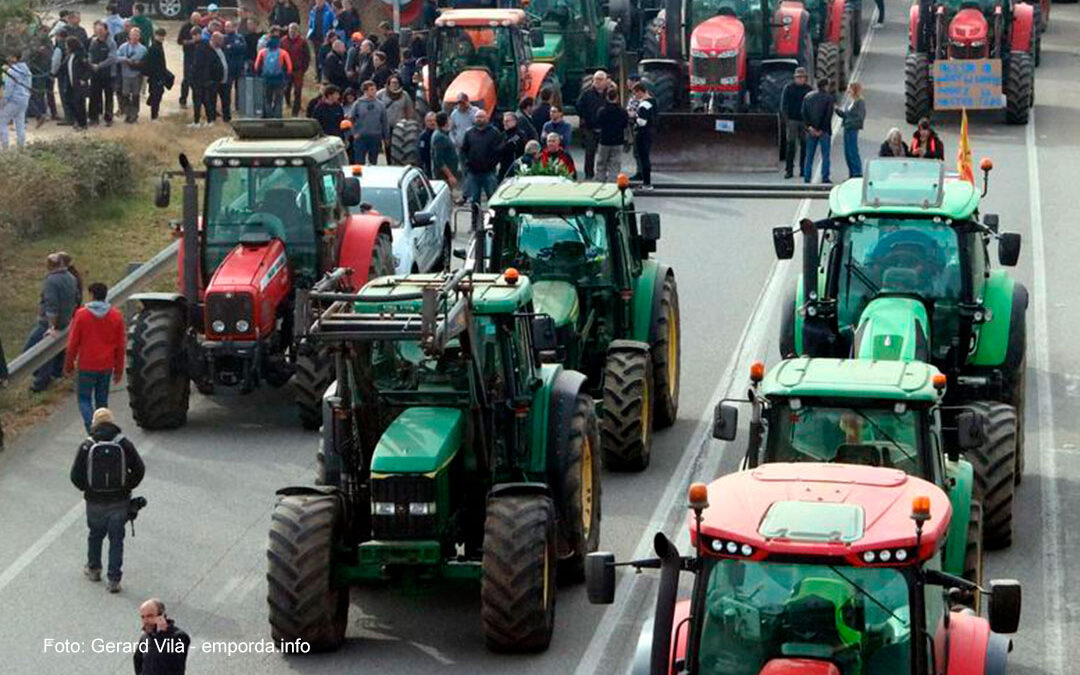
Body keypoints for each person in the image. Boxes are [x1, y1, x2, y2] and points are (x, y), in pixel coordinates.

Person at [70, 407, 145, 593]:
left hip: (94, 501)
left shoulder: (87, 445)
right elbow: (139, 469)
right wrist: (127, 486)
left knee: (95, 535)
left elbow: (75, 475)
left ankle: (94, 569)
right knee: (116, 539)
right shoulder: (124, 444)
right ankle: (114, 580)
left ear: (95, 423)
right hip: (119, 500)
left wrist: (88, 489)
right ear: (112, 421)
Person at [64, 283, 125, 431]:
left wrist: (69, 364)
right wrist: (118, 369)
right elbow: (121, 345)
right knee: (102, 400)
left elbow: (73, 342)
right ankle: (103, 428)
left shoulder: (81, 314)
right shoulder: (116, 316)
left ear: (91, 294)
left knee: (84, 399)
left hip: (87, 364)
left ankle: (91, 427)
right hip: (106, 365)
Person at [23, 254, 79, 391]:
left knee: (31, 351)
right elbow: (76, 298)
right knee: (58, 350)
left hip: (48, 324)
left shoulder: (51, 281)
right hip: (66, 321)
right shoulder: (71, 278)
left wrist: (52, 326)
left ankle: (41, 382)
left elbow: (51, 305)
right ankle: (57, 374)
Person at [135, 599, 190, 675]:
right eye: (143, 617)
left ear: (161, 617)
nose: (145, 621)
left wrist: (160, 635)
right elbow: (137, 661)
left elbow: (174, 664)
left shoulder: (179, 637)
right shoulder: (145, 637)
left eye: (149, 616)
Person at [460, 109, 504, 204]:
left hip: (489, 172)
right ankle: (475, 218)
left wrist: (493, 163)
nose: (479, 119)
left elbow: (499, 151)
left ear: (487, 118)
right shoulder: (469, 133)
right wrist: (466, 164)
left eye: (481, 117)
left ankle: (494, 218)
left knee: (492, 199)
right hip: (473, 172)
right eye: (477, 117)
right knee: (474, 200)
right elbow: (464, 150)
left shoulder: (494, 133)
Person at [576, 70, 609, 179]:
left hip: (604, 128)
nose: (598, 82)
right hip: (590, 127)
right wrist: (586, 118)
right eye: (596, 79)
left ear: (605, 81)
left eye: (600, 79)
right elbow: (579, 107)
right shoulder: (586, 94)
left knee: (604, 154)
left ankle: (602, 174)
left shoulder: (609, 94)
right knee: (590, 152)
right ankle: (589, 174)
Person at [801, 78, 835, 183]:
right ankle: (825, 177)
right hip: (824, 131)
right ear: (825, 86)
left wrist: (810, 127)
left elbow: (804, 113)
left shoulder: (808, 97)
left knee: (809, 155)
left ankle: (807, 177)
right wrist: (821, 129)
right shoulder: (829, 98)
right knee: (825, 155)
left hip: (811, 131)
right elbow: (828, 115)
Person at [779, 66, 811, 178]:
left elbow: (811, 106)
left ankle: (803, 169)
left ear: (805, 78)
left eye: (802, 77)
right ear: (795, 78)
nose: (800, 79)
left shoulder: (809, 89)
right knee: (790, 146)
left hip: (804, 121)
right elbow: (783, 105)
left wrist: (810, 121)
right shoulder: (788, 88)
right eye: (798, 77)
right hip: (792, 120)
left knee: (805, 146)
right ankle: (789, 170)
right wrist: (786, 120)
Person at [255, 31, 293, 118]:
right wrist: (287, 78)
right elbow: (289, 67)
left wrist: (259, 74)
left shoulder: (262, 52)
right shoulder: (283, 52)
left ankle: (268, 116)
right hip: (279, 79)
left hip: (266, 79)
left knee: (267, 98)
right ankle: (277, 117)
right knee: (278, 99)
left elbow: (257, 66)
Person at [595, 87, 629, 183]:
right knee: (615, 164)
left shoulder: (602, 111)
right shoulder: (622, 112)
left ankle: (600, 182)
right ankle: (612, 183)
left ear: (607, 97)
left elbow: (598, 123)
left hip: (604, 140)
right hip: (618, 141)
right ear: (617, 97)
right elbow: (625, 124)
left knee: (601, 163)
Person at [350, 80, 388, 164]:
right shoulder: (358, 104)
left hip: (375, 136)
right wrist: (354, 133)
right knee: (359, 161)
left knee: (373, 160)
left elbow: (384, 121)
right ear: (365, 91)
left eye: (374, 89)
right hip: (361, 137)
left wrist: (386, 137)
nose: (374, 91)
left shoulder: (380, 104)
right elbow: (351, 119)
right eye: (371, 89)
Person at [0, 51, 32, 149]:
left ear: (14, 58)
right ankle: (21, 145)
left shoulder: (12, 72)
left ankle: (5, 146)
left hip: (13, 99)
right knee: (20, 123)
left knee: (2, 121)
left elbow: (9, 89)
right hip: (24, 99)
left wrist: (3, 102)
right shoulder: (27, 71)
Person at [87, 22, 117, 126]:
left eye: (101, 30)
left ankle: (108, 118)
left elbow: (112, 58)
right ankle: (93, 118)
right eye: (97, 30)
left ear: (106, 30)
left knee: (108, 97)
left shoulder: (111, 42)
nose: (99, 32)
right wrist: (90, 63)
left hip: (108, 74)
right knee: (94, 96)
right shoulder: (93, 41)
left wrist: (99, 65)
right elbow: (90, 53)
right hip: (95, 74)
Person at [189, 28, 220, 127]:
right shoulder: (207, 45)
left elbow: (197, 63)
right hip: (206, 77)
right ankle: (210, 120)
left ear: (199, 34)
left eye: (194, 35)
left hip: (199, 77)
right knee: (206, 99)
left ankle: (197, 121)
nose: (193, 37)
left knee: (197, 100)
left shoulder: (200, 47)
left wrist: (192, 72)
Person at [834, 81, 866, 179]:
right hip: (847, 129)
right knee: (847, 152)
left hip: (852, 129)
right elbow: (846, 115)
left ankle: (857, 173)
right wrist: (837, 110)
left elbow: (860, 117)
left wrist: (848, 122)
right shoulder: (851, 102)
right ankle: (851, 173)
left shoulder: (860, 102)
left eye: (850, 89)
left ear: (854, 90)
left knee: (852, 151)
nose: (848, 91)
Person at [116, 27, 146, 123]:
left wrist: (137, 63)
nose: (134, 37)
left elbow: (145, 63)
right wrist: (125, 59)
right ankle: (128, 114)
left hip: (137, 75)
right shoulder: (123, 47)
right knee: (125, 95)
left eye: (136, 35)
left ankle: (134, 115)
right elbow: (115, 57)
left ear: (139, 37)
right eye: (133, 35)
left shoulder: (143, 49)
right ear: (129, 36)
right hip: (125, 75)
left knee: (136, 96)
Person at [629, 81, 655, 188]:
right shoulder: (653, 102)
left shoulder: (644, 104)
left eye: (635, 93)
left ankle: (646, 183)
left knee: (643, 158)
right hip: (650, 133)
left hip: (642, 134)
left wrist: (634, 116)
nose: (635, 96)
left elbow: (642, 122)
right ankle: (646, 182)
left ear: (640, 92)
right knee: (645, 157)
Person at [281, 23, 310, 117]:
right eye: (291, 30)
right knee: (286, 88)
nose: (292, 32)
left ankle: (295, 111)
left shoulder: (303, 42)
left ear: (298, 31)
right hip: (286, 70)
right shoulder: (283, 41)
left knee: (298, 91)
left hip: (298, 70)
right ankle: (288, 103)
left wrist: (303, 69)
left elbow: (307, 57)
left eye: (294, 30)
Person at [145, 28, 170, 121]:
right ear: (156, 36)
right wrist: (156, 77)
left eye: (162, 36)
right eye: (159, 36)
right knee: (156, 96)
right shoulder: (154, 47)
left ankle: (154, 113)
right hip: (155, 77)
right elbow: (150, 64)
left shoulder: (159, 45)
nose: (161, 38)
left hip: (159, 76)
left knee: (157, 94)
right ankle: (153, 116)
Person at [177, 12, 200, 109]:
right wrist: (191, 42)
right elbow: (179, 41)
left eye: (198, 20)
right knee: (187, 78)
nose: (196, 22)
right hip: (188, 55)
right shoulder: (185, 27)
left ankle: (198, 101)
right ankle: (183, 100)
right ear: (191, 19)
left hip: (199, 55)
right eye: (195, 20)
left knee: (198, 79)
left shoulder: (201, 27)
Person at [431, 111, 459, 191]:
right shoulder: (439, 137)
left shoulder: (444, 134)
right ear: (446, 122)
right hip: (443, 177)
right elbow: (439, 160)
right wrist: (450, 176)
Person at [499, 110, 528, 179]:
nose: (505, 123)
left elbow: (513, 147)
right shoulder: (502, 135)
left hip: (516, 166)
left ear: (514, 121)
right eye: (504, 121)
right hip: (503, 167)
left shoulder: (520, 134)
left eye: (507, 121)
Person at [222, 22, 246, 105]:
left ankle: (239, 105)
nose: (226, 28)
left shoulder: (239, 37)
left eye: (228, 27)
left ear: (233, 27)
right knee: (227, 88)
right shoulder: (223, 38)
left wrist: (231, 46)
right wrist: (234, 47)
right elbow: (224, 49)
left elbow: (243, 48)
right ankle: (227, 105)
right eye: (226, 27)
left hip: (239, 66)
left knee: (239, 87)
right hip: (228, 67)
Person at [210, 32, 231, 122]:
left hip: (225, 79)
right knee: (212, 100)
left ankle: (227, 118)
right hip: (214, 80)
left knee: (226, 100)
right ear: (214, 39)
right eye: (221, 40)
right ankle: (212, 118)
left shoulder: (222, 49)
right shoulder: (208, 50)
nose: (223, 42)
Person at [418, 111, 437, 177]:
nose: (432, 122)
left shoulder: (440, 134)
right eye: (429, 121)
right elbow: (422, 153)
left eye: (434, 120)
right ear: (425, 122)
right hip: (428, 164)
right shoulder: (423, 136)